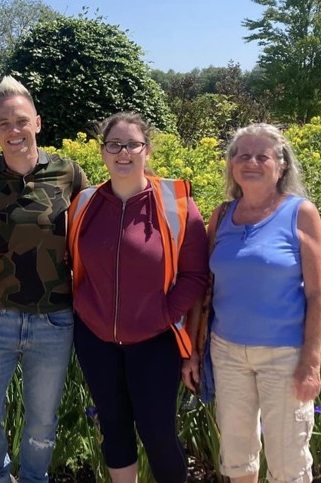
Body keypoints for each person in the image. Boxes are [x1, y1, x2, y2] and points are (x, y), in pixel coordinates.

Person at [67, 112, 209, 483]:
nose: (123, 152)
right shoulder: (84, 204)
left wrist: (164, 314)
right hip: (96, 339)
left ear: (147, 150)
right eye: (114, 144)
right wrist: (84, 307)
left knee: (158, 434)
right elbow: (71, 263)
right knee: (113, 429)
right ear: (102, 151)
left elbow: (195, 273)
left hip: (155, 341)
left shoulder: (176, 203)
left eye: (132, 144)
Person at [0, 75, 88, 483]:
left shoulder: (69, 174)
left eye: (20, 121)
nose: (13, 130)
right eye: (3, 123)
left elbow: (92, 228)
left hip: (53, 320)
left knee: (41, 422)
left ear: (36, 122)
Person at [206, 124, 321, 482]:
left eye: (263, 156)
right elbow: (208, 290)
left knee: (289, 463)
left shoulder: (300, 213)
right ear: (232, 165)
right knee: (237, 459)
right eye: (243, 155)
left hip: (285, 356)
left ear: (281, 166)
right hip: (226, 352)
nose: (251, 162)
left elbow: (318, 294)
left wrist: (311, 362)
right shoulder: (221, 215)